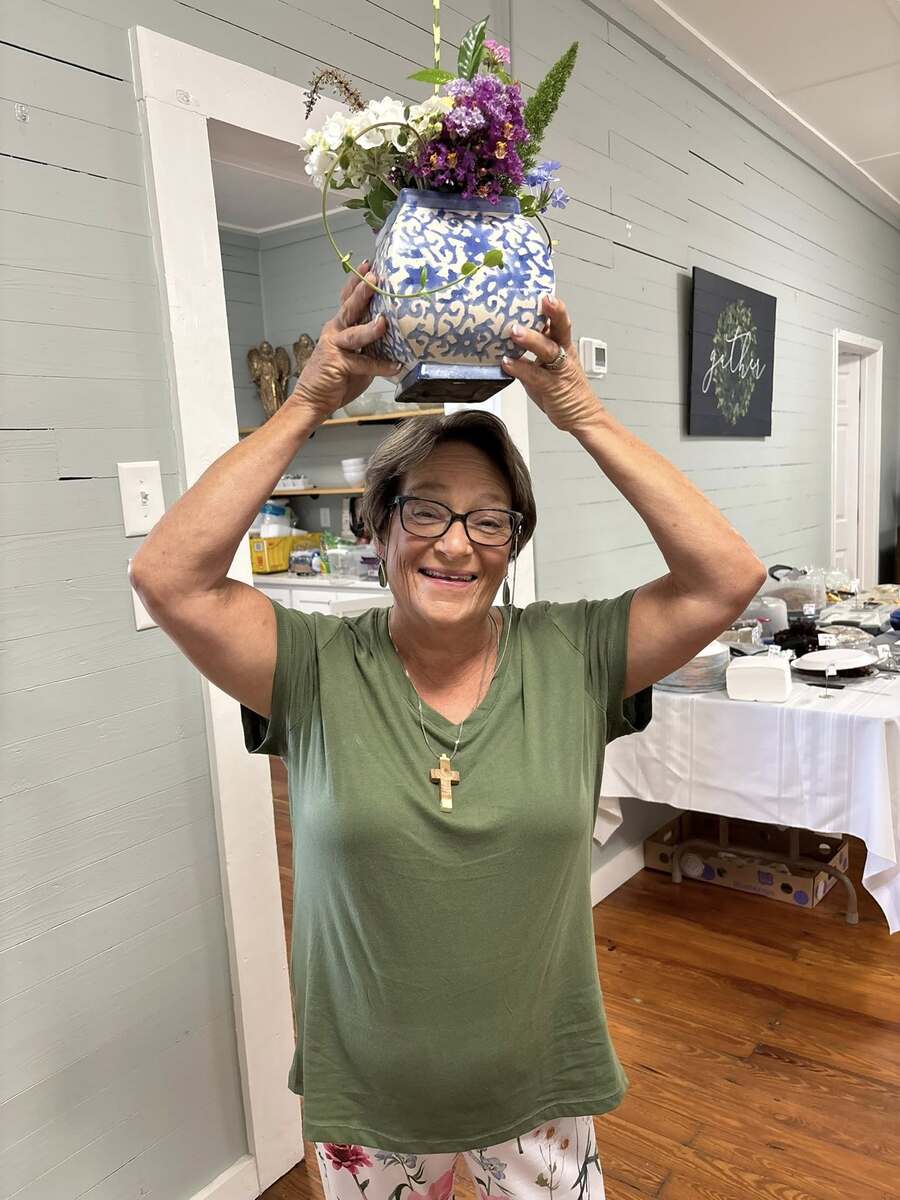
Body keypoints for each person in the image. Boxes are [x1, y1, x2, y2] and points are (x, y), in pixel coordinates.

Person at [130, 260, 766, 1194]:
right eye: (425, 510)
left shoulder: (574, 654)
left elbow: (727, 577)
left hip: (539, 1080)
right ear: (379, 527)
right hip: (373, 1092)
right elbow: (168, 578)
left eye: (489, 521)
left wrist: (581, 413)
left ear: (512, 544)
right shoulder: (312, 667)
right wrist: (310, 398)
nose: (456, 542)